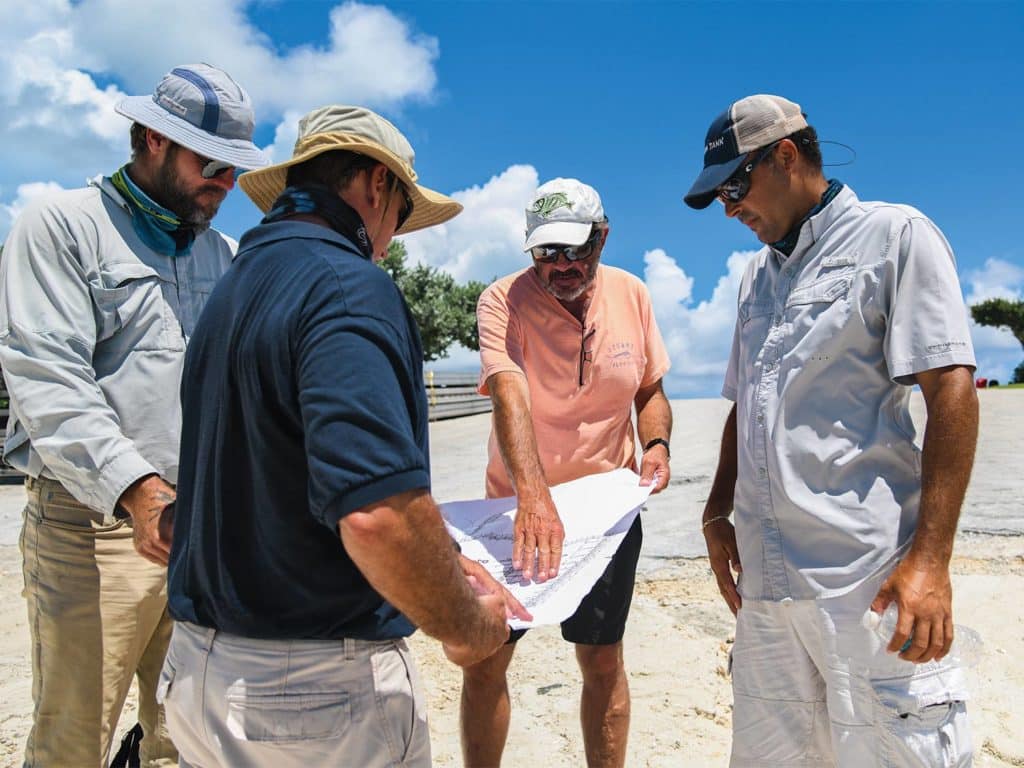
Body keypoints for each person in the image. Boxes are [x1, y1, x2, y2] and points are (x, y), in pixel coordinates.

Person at [161, 105, 523, 768]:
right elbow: (376, 515)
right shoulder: (348, 288)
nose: (389, 243)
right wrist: (470, 627)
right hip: (312, 695)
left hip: (200, 671)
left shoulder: (234, 286)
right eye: (399, 218)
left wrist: (438, 554)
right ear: (375, 185)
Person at [685, 94, 979, 766]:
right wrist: (715, 508)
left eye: (734, 187)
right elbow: (746, 400)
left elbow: (952, 389)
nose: (729, 209)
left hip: (866, 579)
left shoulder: (895, 236)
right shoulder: (756, 279)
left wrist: (930, 562)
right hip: (766, 591)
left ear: (786, 156)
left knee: (897, 750)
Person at [0, 63, 266, 767]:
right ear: (150, 138)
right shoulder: (61, 227)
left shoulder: (225, 255)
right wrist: (140, 492)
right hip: (93, 526)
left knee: (189, 731)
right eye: (210, 164)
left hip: (198, 527)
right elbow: (47, 378)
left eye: (235, 171)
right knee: (75, 738)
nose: (225, 184)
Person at [461, 178, 673, 767]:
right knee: (486, 658)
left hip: (605, 516)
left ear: (602, 238)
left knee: (602, 660)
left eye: (574, 249)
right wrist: (532, 497)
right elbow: (509, 394)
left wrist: (655, 443)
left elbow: (652, 389)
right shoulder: (501, 300)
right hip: (513, 513)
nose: (560, 265)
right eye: (546, 252)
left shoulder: (632, 295)